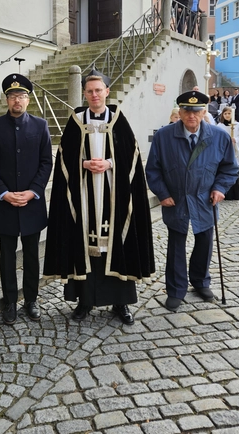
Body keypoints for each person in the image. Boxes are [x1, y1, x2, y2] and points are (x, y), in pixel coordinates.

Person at [43, 70, 155, 326]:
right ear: (84, 93)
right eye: (89, 91)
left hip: (114, 197)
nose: (94, 95)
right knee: (82, 246)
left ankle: (121, 302)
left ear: (107, 91)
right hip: (83, 197)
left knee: (118, 244)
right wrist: (82, 163)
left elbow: (132, 158)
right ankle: (84, 301)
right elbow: (63, 158)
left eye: (98, 90)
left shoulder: (118, 120)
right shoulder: (76, 120)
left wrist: (109, 162)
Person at [145, 90, 238, 312]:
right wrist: (163, 193)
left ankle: (200, 281)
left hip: (205, 199)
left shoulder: (219, 136)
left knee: (205, 241)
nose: (191, 115)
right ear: (180, 111)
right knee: (176, 245)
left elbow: (229, 168)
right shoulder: (164, 136)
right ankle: (176, 289)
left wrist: (219, 188)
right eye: (187, 110)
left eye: (197, 111)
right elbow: (153, 170)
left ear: (204, 111)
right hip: (175, 199)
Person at [0, 74, 53, 325]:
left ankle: (31, 299)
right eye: (12, 96)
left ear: (28, 99)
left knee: (32, 255)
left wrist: (33, 191)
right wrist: (4, 193)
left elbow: (46, 163)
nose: (17, 100)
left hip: (32, 203)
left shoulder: (40, 125)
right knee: (7, 257)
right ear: (7, 100)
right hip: (5, 204)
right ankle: (10, 301)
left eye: (21, 96)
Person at [216, 106, 239, 200]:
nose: (227, 115)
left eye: (229, 113)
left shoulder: (237, 125)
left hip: (234, 151)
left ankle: (234, 194)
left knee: (234, 171)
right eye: (225, 114)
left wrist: (235, 140)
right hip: (223, 151)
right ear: (222, 115)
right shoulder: (219, 126)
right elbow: (216, 139)